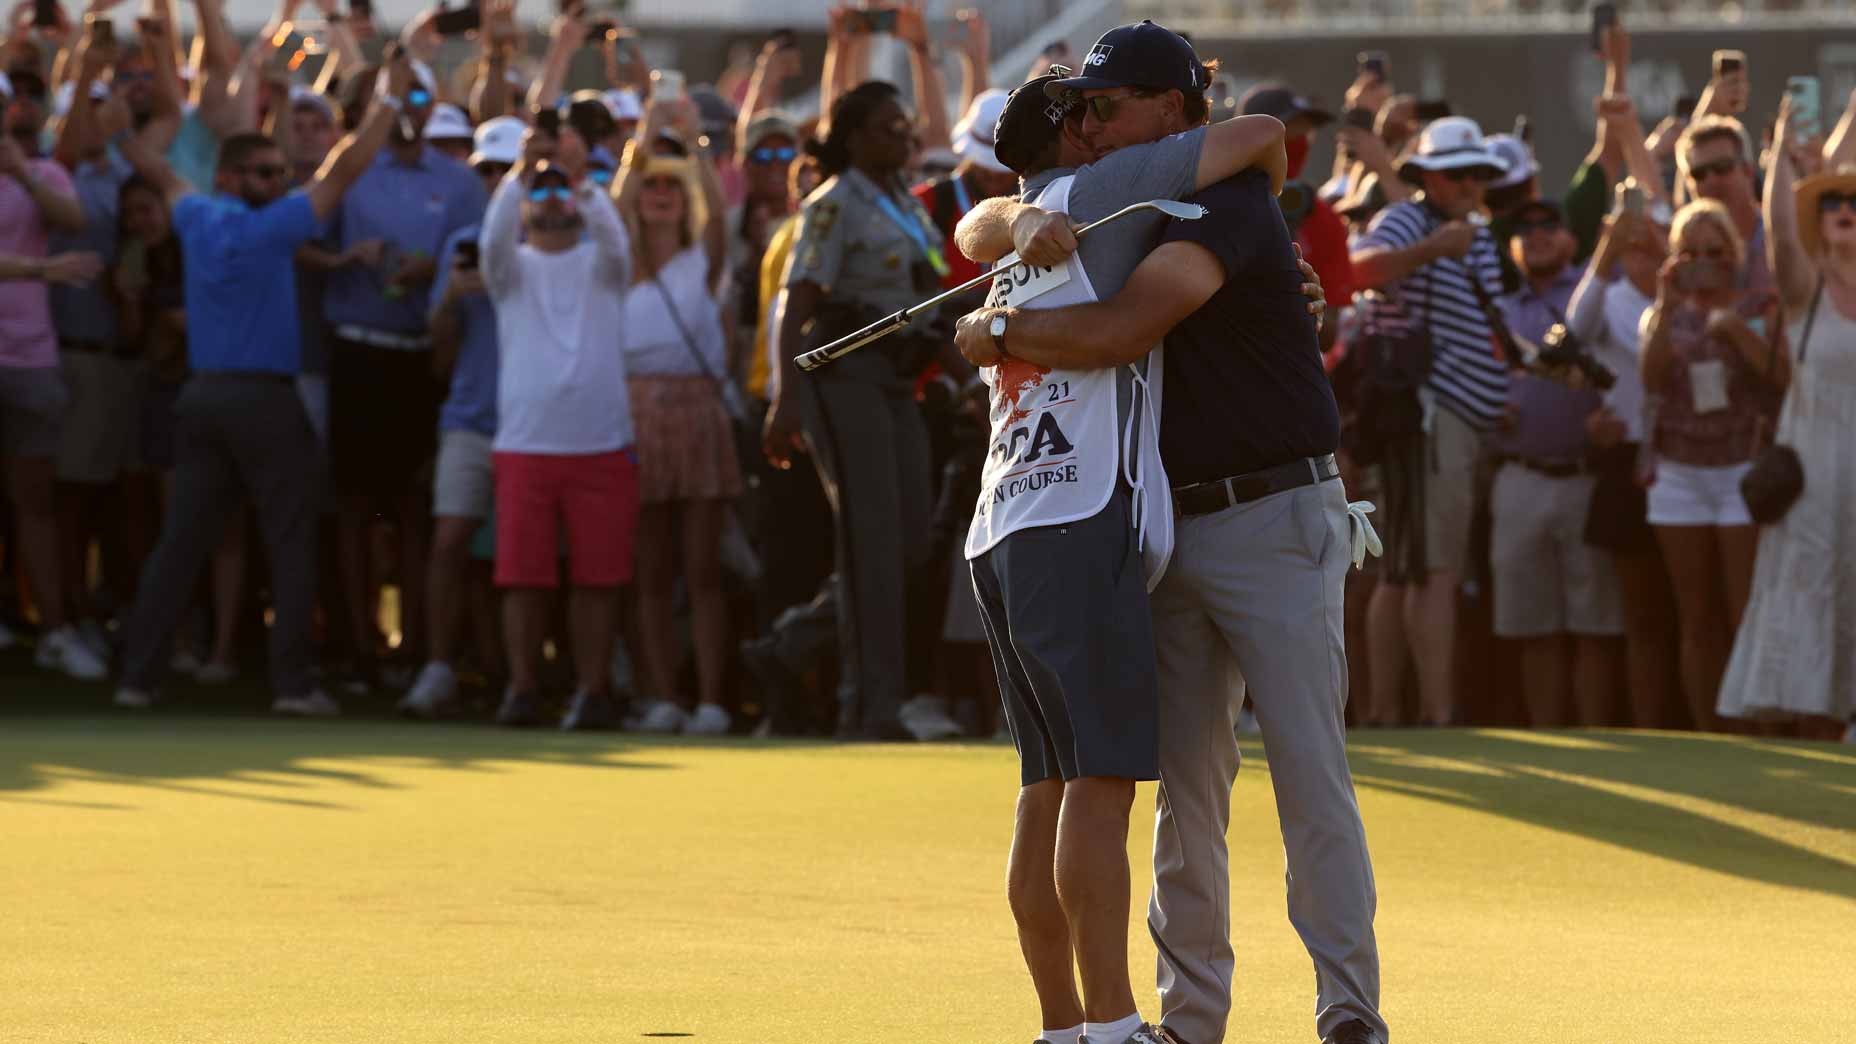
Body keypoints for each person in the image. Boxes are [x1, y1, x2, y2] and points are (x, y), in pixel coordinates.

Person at [954, 21, 1381, 1044]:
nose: (1091, 125)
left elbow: (1121, 330)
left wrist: (995, 333)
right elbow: (989, 217)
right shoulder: (1113, 204)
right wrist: (1011, 230)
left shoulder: (1219, 196)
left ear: (1170, 110)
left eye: (1107, 106)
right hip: (1160, 525)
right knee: (1183, 801)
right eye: (1081, 112)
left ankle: (1346, 1009)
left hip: (1276, 513)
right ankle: (1190, 1022)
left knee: (1308, 774)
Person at [112, 52, 420, 715]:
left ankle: (138, 678)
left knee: (182, 544)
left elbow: (155, 167)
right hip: (261, 399)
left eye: (280, 173)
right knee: (288, 540)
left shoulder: (197, 217)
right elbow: (345, 169)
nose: (277, 180)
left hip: (204, 398)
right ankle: (294, 687)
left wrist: (113, 123)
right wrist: (388, 103)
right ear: (228, 177)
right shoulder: (272, 225)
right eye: (263, 172)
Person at [759, 80, 947, 741]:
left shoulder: (903, 199)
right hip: (843, 377)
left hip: (898, 377)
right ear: (856, 137)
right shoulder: (832, 205)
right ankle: (869, 707)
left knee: (912, 541)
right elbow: (794, 305)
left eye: (906, 127)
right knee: (872, 545)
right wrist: (784, 396)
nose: (904, 138)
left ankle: (789, 646)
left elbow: (927, 291)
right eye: (890, 128)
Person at [310, 61, 486, 689]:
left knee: (414, 511)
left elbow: (478, 256)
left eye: (419, 93)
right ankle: (361, 649)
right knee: (355, 510)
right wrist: (344, 258)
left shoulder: (460, 183)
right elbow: (301, 241)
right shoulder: (349, 172)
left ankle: (414, 651)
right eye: (393, 96)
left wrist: (431, 270)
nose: (408, 106)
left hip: (423, 357)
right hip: (358, 351)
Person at [1349, 116, 1510, 728]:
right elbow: (1356, 269)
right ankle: (1433, 717)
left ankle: (1397, 714)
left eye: (1478, 173)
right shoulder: (1410, 220)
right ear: (1427, 177)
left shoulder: (1474, 231)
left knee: (1409, 568)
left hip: (1452, 418)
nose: (1470, 183)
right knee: (1429, 570)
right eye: (1457, 172)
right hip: (1429, 417)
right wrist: (1429, 251)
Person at [479, 136, 637, 731]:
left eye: (557, 189)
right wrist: (521, 172)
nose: (549, 198)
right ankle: (522, 691)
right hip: (525, 446)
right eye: (537, 190)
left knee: (598, 581)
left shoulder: (604, 267)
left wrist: (582, 179)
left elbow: (618, 239)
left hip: (601, 445)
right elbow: (495, 235)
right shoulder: (509, 269)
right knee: (522, 580)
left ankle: (592, 692)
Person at [1719, 97, 1856, 732]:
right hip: (1813, 477)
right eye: (1833, 207)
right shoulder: (1807, 295)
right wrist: (1776, 148)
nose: (1846, 215)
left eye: (1855, 206)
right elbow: (1777, 232)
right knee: (1806, 597)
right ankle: (1803, 732)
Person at [613, 98, 740, 736]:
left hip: (696, 411)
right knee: (651, 572)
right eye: (651, 185)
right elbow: (612, 214)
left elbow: (718, 216)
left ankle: (712, 701)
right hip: (635, 413)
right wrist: (641, 144)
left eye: (672, 186)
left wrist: (693, 149)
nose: (661, 194)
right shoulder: (615, 265)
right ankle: (662, 696)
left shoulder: (703, 260)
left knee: (703, 569)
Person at [397, 115, 524, 719]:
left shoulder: (553, 242)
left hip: (533, 424)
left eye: (509, 169)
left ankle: (514, 676)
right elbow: (440, 357)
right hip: (469, 418)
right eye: (489, 170)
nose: (498, 180)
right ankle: (440, 666)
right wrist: (450, 298)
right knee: (449, 543)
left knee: (516, 558)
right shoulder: (462, 244)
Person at [1640, 199, 1783, 731]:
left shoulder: (1760, 307)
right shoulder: (1663, 313)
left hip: (1742, 473)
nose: (1705, 261)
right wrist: (1665, 301)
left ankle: (1754, 727)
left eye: (1715, 251)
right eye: (1691, 251)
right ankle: (1707, 732)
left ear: (1735, 254)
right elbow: (1650, 379)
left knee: (1744, 611)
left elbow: (1782, 380)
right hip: (1679, 474)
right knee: (1695, 616)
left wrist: (1738, 333)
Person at [1489, 199, 1624, 726]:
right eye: (1526, 227)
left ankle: (1597, 741)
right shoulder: (1498, 306)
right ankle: (1551, 738)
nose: (1538, 234)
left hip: (1586, 477)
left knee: (1595, 626)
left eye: (1550, 225)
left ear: (1571, 237)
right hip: (1519, 474)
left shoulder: (1597, 295)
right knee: (1532, 627)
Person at [1, 58, 107, 679]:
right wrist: (40, 272)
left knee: (35, 503)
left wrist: (20, 174)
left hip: (30, 360)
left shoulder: (39, 170)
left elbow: (73, 221)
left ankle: (56, 630)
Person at [1567, 196, 1681, 729]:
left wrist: (1666, 254)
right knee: (1642, 615)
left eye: (1649, 242)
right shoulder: (1608, 296)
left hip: (1690, 458)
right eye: (1630, 246)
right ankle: (1651, 729)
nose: (1639, 253)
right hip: (1628, 465)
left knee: (1696, 608)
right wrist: (1606, 246)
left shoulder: (1688, 297)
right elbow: (1575, 329)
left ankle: (1705, 727)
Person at [1242, 82, 1355, 352]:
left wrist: (1300, 300)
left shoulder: (1323, 218)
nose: (1299, 141)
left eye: (1306, 132)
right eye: (1289, 131)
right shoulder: (1212, 202)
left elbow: (1329, 336)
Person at [1679, 116, 1770, 290]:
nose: (1711, 180)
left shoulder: (1778, 236)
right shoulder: (1685, 255)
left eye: (1722, 167)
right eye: (1699, 174)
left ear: (1748, 172)